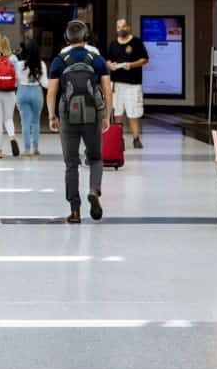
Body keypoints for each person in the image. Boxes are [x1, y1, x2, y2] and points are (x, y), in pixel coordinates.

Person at [47, 20, 113, 224]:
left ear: (67, 39)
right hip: (92, 114)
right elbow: (107, 91)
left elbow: (52, 91)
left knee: (71, 163)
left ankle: (75, 211)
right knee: (95, 158)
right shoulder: (97, 59)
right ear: (86, 37)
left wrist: (52, 116)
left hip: (68, 115)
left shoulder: (59, 60)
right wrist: (107, 115)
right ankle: (94, 190)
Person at [106, 18, 149, 150]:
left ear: (128, 28)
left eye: (123, 27)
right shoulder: (113, 44)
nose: (120, 29)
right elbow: (108, 60)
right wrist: (110, 65)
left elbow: (145, 59)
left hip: (133, 83)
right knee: (117, 111)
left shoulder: (136, 42)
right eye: (118, 27)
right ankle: (119, 139)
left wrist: (131, 65)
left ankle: (136, 138)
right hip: (117, 83)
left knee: (133, 112)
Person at [15, 41, 46, 158]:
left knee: (25, 122)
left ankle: (27, 150)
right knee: (36, 122)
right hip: (36, 92)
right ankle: (36, 148)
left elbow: (16, 81)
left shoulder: (19, 65)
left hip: (22, 92)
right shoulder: (41, 64)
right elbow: (45, 83)